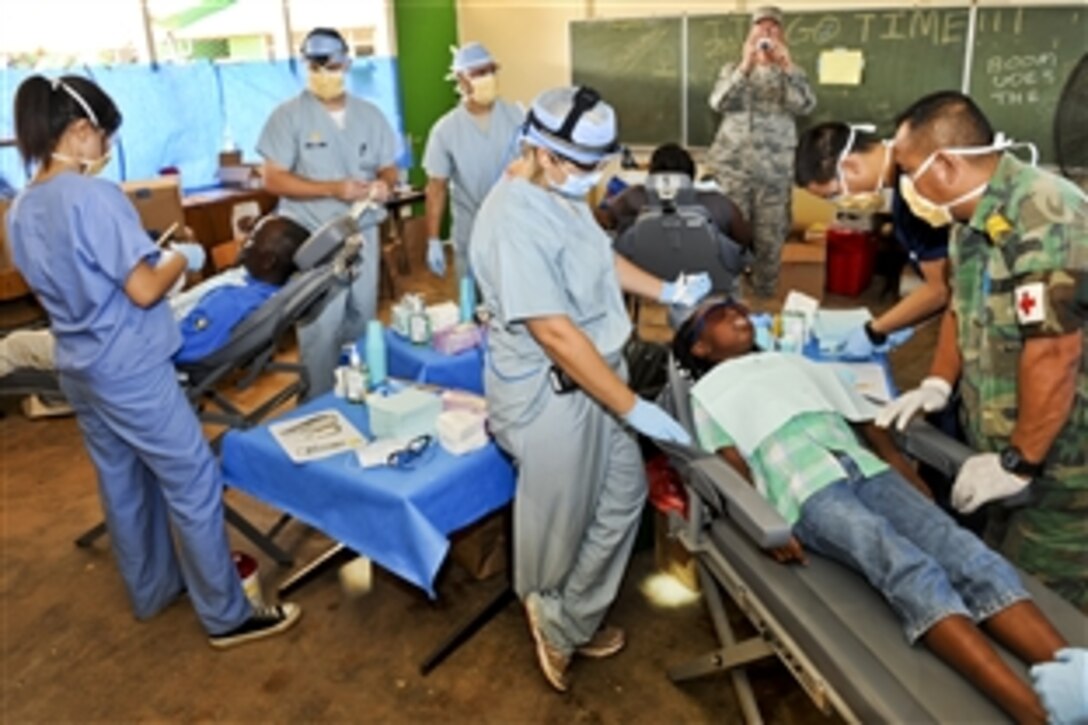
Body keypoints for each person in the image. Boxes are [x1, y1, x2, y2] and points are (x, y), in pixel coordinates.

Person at [673, 295, 1080, 724]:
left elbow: (861, 414)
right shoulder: (709, 393)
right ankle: (1036, 714)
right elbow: (730, 461)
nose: (735, 312)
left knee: (964, 551)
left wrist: (899, 464)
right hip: (807, 489)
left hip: (867, 468)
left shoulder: (791, 363)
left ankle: (1077, 681)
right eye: (716, 316)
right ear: (700, 349)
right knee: (903, 563)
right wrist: (763, 525)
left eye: (736, 307)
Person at [7, 74, 301, 647]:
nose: (106, 150)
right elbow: (143, 290)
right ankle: (227, 616)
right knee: (190, 479)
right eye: (104, 137)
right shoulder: (94, 196)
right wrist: (180, 259)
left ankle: (152, 591)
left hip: (78, 366)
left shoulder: (20, 209)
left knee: (123, 483)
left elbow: (66, 285)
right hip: (130, 368)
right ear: (81, 130)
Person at [469, 86, 710, 692]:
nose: (594, 178)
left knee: (623, 496)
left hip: (598, 381)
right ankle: (554, 616)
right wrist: (634, 408)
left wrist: (669, 291)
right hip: (552, 395)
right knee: (560, 522)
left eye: (601, 164)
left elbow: (601, 260)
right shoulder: (512, 220)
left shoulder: (562, 191)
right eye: (584, 166)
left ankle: (568, 618)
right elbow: (554, 332)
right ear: (543, 153)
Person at [879, 91, 1087, 614]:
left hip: (1062, 467)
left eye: (907, 172)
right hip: (1000, 447)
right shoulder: (970, 220)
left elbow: (1054, 352)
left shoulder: (1045, 215)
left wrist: (1019, 462)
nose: (904, 188)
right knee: (999, 573)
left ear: (945, 164)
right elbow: (959, 307)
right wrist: (937, 384)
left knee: (1046, 607)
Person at [258, 27, 398, 395]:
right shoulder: (287, 117)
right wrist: (332, 188)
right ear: (305, 65)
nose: (324, 72)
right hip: (314, 240)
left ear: (347, 62)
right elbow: (272, 179)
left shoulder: (370, 115)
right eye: (315, 64)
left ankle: (358, 396)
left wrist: (385, 183)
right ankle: (319, 407)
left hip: (362, 232)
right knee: (320, 329)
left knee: (361, 320)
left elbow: (389, 165)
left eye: (331, 63)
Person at [1, 215, 309, 380]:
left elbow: (182, 349)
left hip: (118, 346)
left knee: (15, 346)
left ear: (268, 260)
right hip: (134, 322)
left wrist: (131, 313)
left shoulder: (236, 301)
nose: (244, 241)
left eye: (252, 239)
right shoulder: (251, 282)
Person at [795, 122, 951, 358]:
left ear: (851, 166)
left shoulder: (918, 193)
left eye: (834, 195)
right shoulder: (906, 181)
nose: (840, 202)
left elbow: (940, 288)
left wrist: (875, 330)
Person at [706, 5, 816, 301]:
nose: (766, 32)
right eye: (761, 26)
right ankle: (728, 302)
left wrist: (787, 68)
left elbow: (805, 106)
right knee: (728, 239)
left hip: (774, 174)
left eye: (773, 27)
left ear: (783, 34)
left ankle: (764, 303)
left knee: (769, 243)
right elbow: (719, 102)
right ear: (750, 32)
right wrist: (746, 65)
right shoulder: (732, 71)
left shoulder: (793, 73)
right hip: (733, 172)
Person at [423, 42, 524, 280]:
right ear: (461, 79)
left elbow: (537, 168)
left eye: (490, 70)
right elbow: (436, 188)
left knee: (514, 305)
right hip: (471, 231)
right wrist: (433, 239)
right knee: (472, 305)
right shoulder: (446, 130)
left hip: (513, 228)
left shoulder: (517, 117)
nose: (487, 77)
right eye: (478, 73)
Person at [597, 142, 752, 246]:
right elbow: (745, 240)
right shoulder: (720, 204)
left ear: (652, 175)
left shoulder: (633, 197)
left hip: (646, 281)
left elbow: (605, 220)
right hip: (706, 282)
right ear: (691, 174)